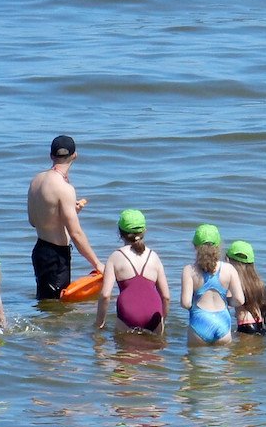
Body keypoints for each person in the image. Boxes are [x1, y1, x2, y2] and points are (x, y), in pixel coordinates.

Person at [27, 135, 102, 299]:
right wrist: (97, 264)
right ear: (75, 155)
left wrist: (71, 212)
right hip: (56, 258)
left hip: (40, 251)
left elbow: (33, 221)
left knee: (47, 304)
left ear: (51, 155)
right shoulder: (65, 188)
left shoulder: (36, 181)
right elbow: (76, 233)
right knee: (56, 307)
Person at [94, 210, 169, 334]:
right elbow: (166, 297)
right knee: (154, 346)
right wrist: (162, 320)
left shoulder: (115, 257)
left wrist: (99, 324)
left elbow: (105, 295)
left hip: (128, 314)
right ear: (144, 231)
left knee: (124, 345)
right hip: (154, 314)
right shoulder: (154, 257)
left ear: (120, 233)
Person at [180, 224, 244, 347]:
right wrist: (226, 301)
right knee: (222, 358)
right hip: (222, 323)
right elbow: (240, 300)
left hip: (200, 322)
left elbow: (185, 303)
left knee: (196, 359)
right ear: (218, 245)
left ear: (195, 246)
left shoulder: (189, 270)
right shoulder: (229, 269)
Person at [227, 241, 266, 335]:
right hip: (259, 323)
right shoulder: (258, 281)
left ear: (229, 261)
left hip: (245, 324)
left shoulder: (235, 281)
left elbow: (228, 303)